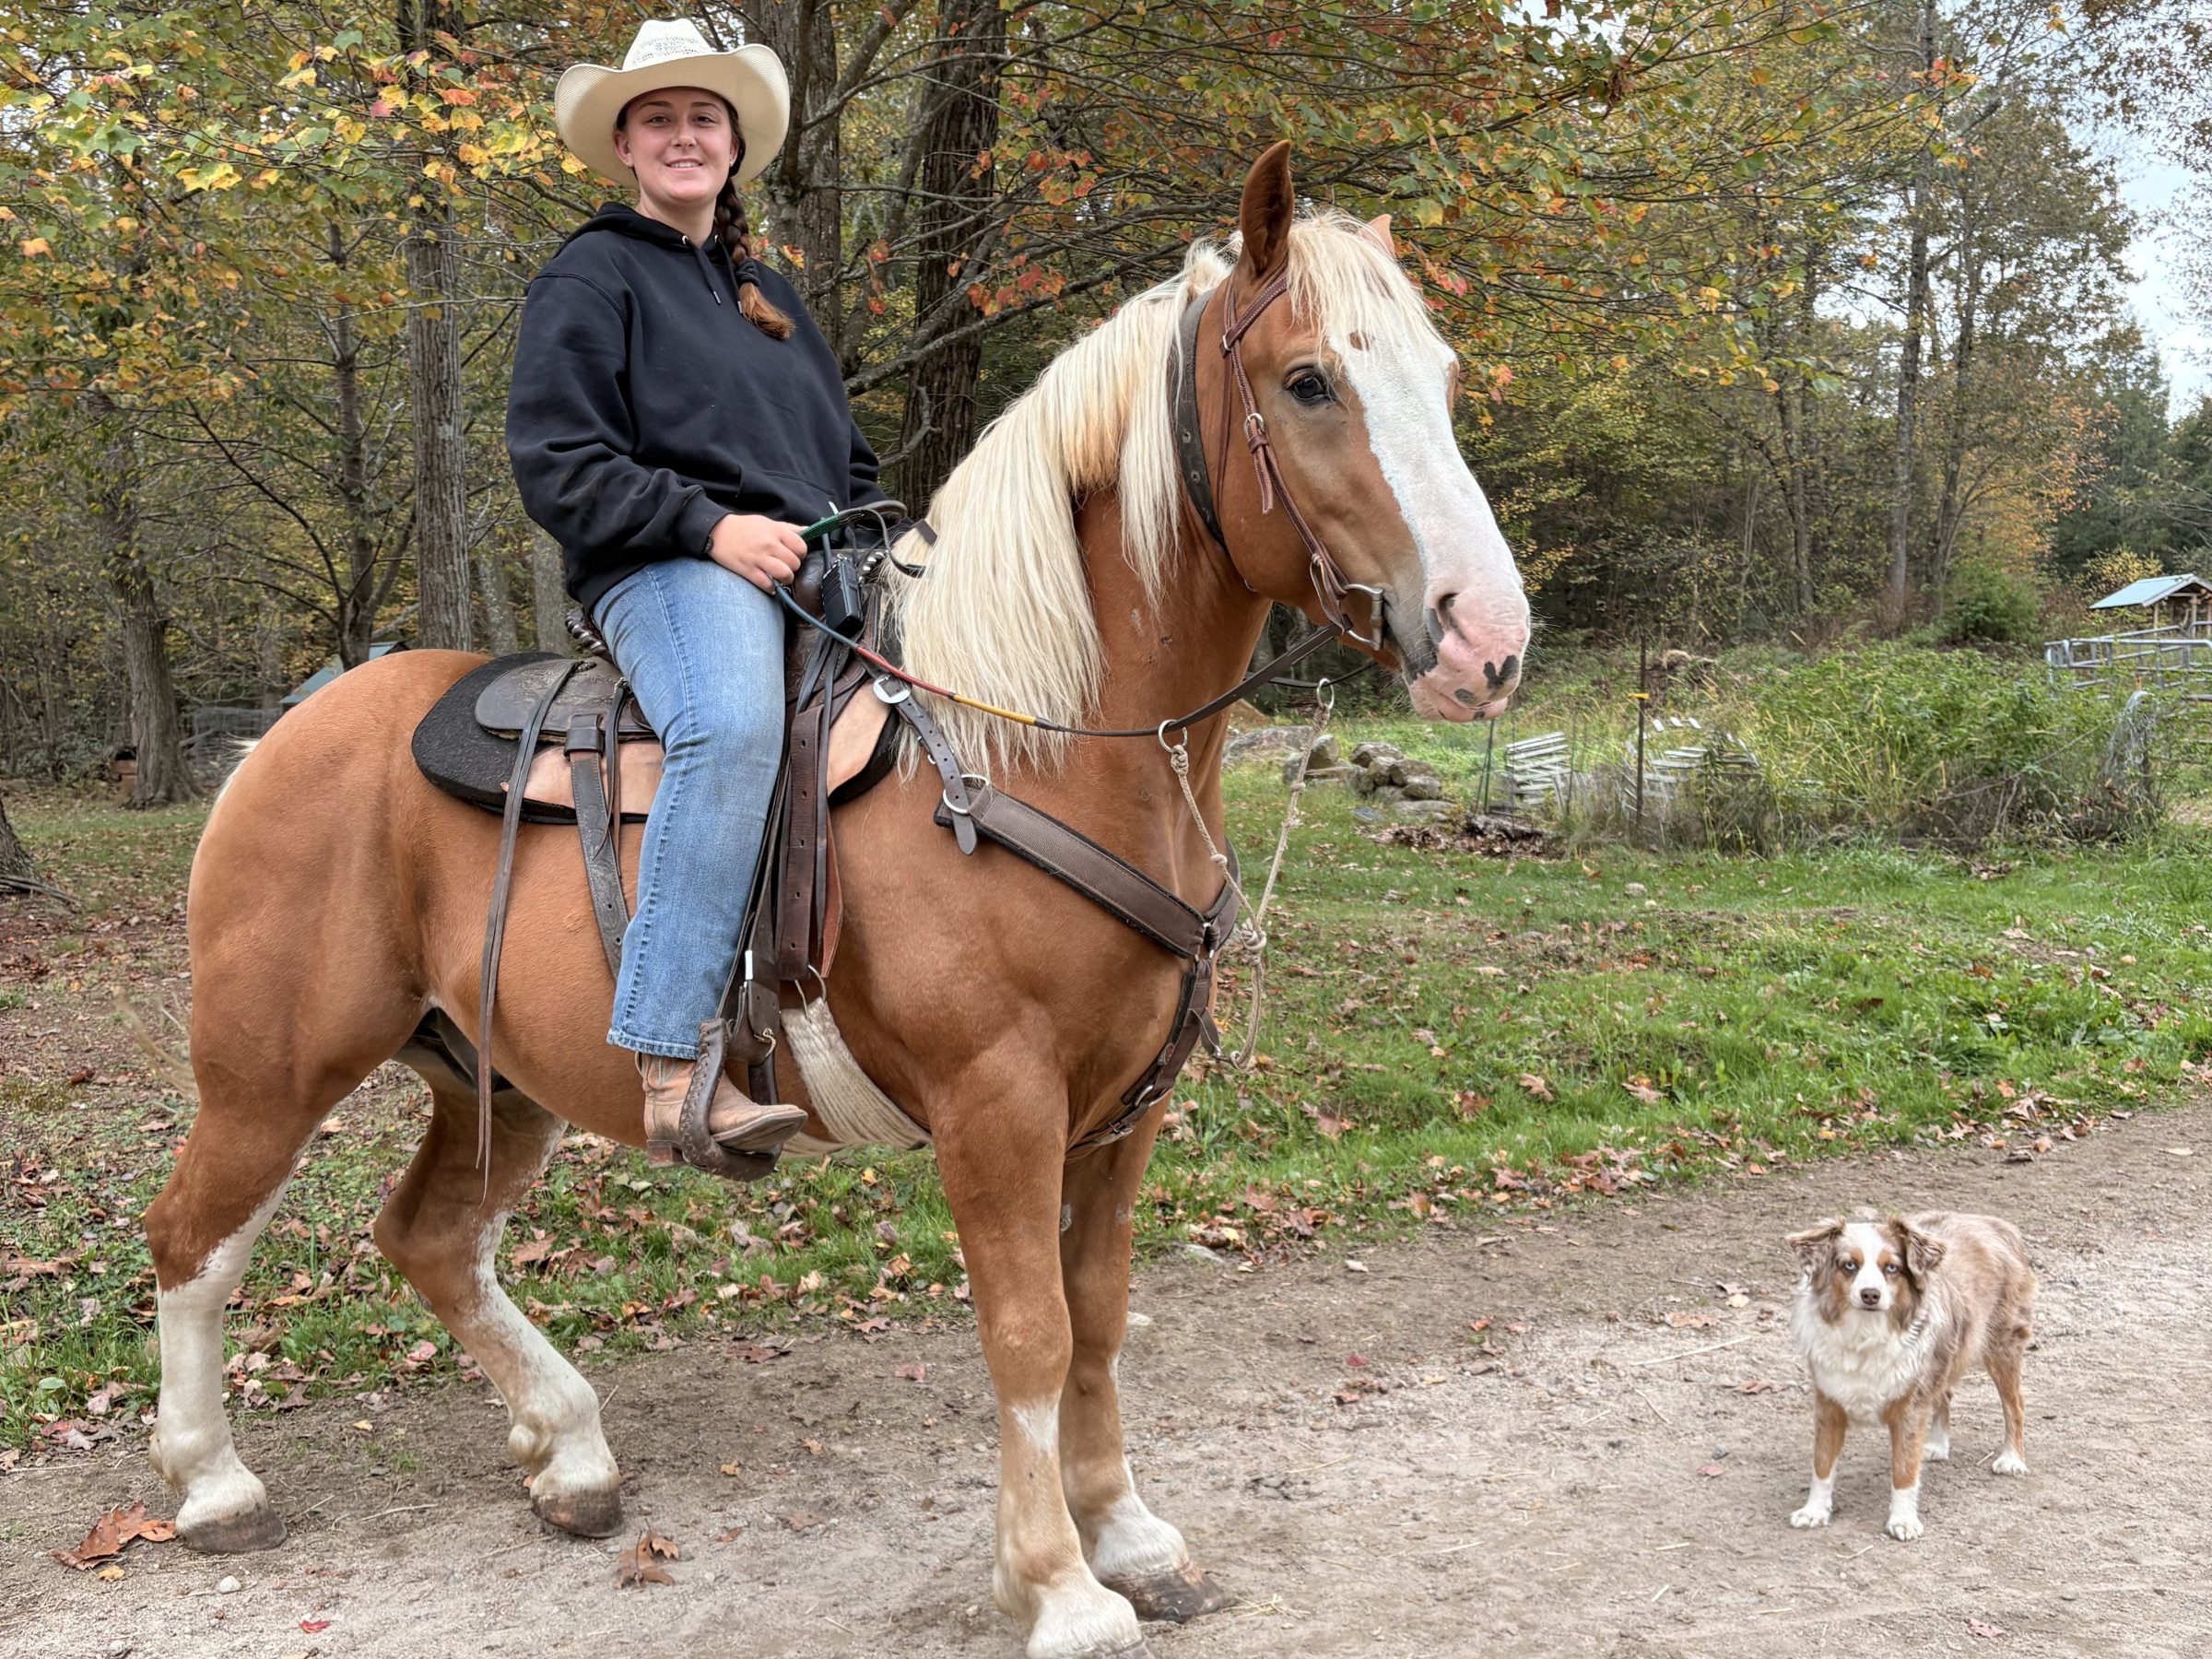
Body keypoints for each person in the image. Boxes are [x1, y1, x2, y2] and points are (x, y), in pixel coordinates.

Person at [506, 18, 890, 1169]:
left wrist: (896, 540)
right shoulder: (594, 273)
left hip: (816, 566)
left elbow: (847, 465)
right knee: (729, 727)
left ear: (733, 147)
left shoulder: (767, 293)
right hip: (666, 568)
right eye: (659, 118)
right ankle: (674, 1059)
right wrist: (711, 526)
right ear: (623, 147)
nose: (684, 136)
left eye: (703, 118)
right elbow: (558, 461)